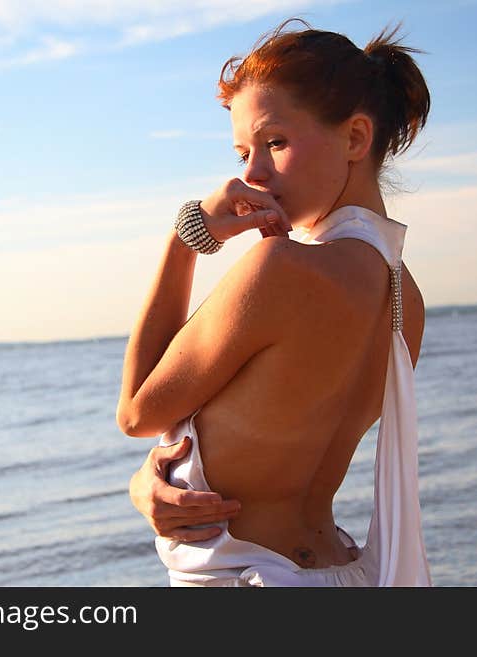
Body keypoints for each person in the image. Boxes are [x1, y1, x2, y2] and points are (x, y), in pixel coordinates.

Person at [117, 18, 432, 586]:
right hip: (344, 572)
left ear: (356, 139)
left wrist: (185, 239)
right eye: (243, 153)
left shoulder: (280, 269)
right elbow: (276, 434)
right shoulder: (406, 301)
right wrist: (158, 475)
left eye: (275, 143)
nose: (253, 175)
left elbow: (138, 412)